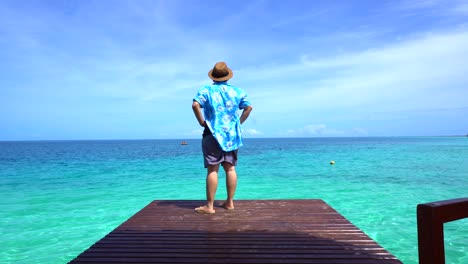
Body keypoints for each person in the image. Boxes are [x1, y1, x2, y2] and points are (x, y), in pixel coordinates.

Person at [192, 61, 253, 214]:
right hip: (231, 134)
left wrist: (201, 121)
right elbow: (249, 107)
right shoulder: (238, 91)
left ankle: (210, 206)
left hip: (211, 133)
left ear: (213, 76)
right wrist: (238, 123)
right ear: (227, 76)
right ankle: (230, 203)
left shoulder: (205, 90)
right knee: (230, 168)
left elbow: (195, 105)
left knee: (213, 170)